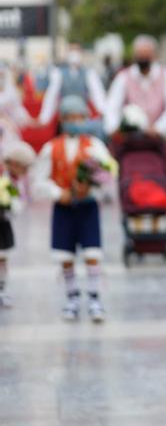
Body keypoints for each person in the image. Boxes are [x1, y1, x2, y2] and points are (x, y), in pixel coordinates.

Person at [32, 96, 118, 323]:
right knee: (65, 255)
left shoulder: (94, 146)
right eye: (69, 118)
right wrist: (59, 193)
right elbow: (38, 181)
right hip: (64, 208)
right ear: (62, 120)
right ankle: (71, 298)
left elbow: (108, 174)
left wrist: (91, 188)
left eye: (78, 117)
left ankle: (95, 298)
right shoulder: (51, 148)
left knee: (92, 254)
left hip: (87, 207)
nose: (74, 122)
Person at [105, 35, 166, 195]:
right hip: (130, 140)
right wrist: (116, 128)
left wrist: (159, 128)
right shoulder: (124, 77)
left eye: (146, 53)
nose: (143, 57)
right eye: (140, 54)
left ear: (154, 54)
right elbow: (112, 107)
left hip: (158, 138)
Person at [0, 140, 36, 308]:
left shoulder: (15, 181)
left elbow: (21, 200)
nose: (25, 172)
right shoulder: (4, 177)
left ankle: (1, 289)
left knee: (2, 257)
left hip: (3, 223)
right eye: (24, 167)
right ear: (14, 163)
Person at [38, 44, 107, 130]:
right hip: (65, 117)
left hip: (82, 116)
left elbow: (97, 94)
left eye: (77, 50)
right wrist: (44, 118)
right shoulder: (59, 73)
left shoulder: (89, 73)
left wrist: (104, 112)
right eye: (72, 50)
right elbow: (51, 96)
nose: (74, 54)